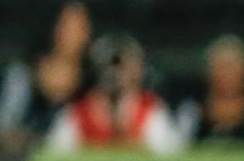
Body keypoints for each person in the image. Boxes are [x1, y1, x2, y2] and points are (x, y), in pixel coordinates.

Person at [48, 33, 184, 154]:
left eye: (122, 64)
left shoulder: (152, 112)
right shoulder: (75, 115)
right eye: (110, 63)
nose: (115, 73)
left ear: (137, 70)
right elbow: (56, 160)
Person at [0, 1, 91, 152]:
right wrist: (35, 142)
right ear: (53, 28)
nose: (73, 34)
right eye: (67, 26)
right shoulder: (23, 74)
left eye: (80, 27)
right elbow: (1, 126)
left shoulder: (94, 78)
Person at [176, 34, 244, 145]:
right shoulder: (191, 111)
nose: (226, 74)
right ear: (208, 71)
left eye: (231, 67)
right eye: (220, 67)